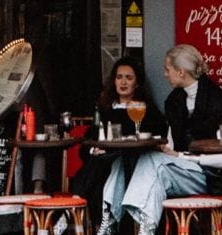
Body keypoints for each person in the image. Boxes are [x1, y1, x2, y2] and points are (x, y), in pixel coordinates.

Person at [86, 44, 222, 235]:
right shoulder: (174, 100)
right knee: (143, 161)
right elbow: (173, 145)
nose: (164, 74)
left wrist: (186, 157)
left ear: (181, 72)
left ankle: (134, 234)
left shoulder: (218, 101)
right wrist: (169, 151)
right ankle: (124, 231)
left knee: (154, 162)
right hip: (183, 170)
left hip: (214, 174)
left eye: (167, 70)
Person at [68, 58, 160, 219]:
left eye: (129, 78)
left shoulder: (145, 110)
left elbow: (156, 137)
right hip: (104, 165)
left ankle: (72, 211)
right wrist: (93, 150)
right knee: (97, 174)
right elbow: (87, 142)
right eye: (119, 77)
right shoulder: (104, 110)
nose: (123, 82)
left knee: (97, 171)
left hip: (133, 165)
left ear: (137, 83)